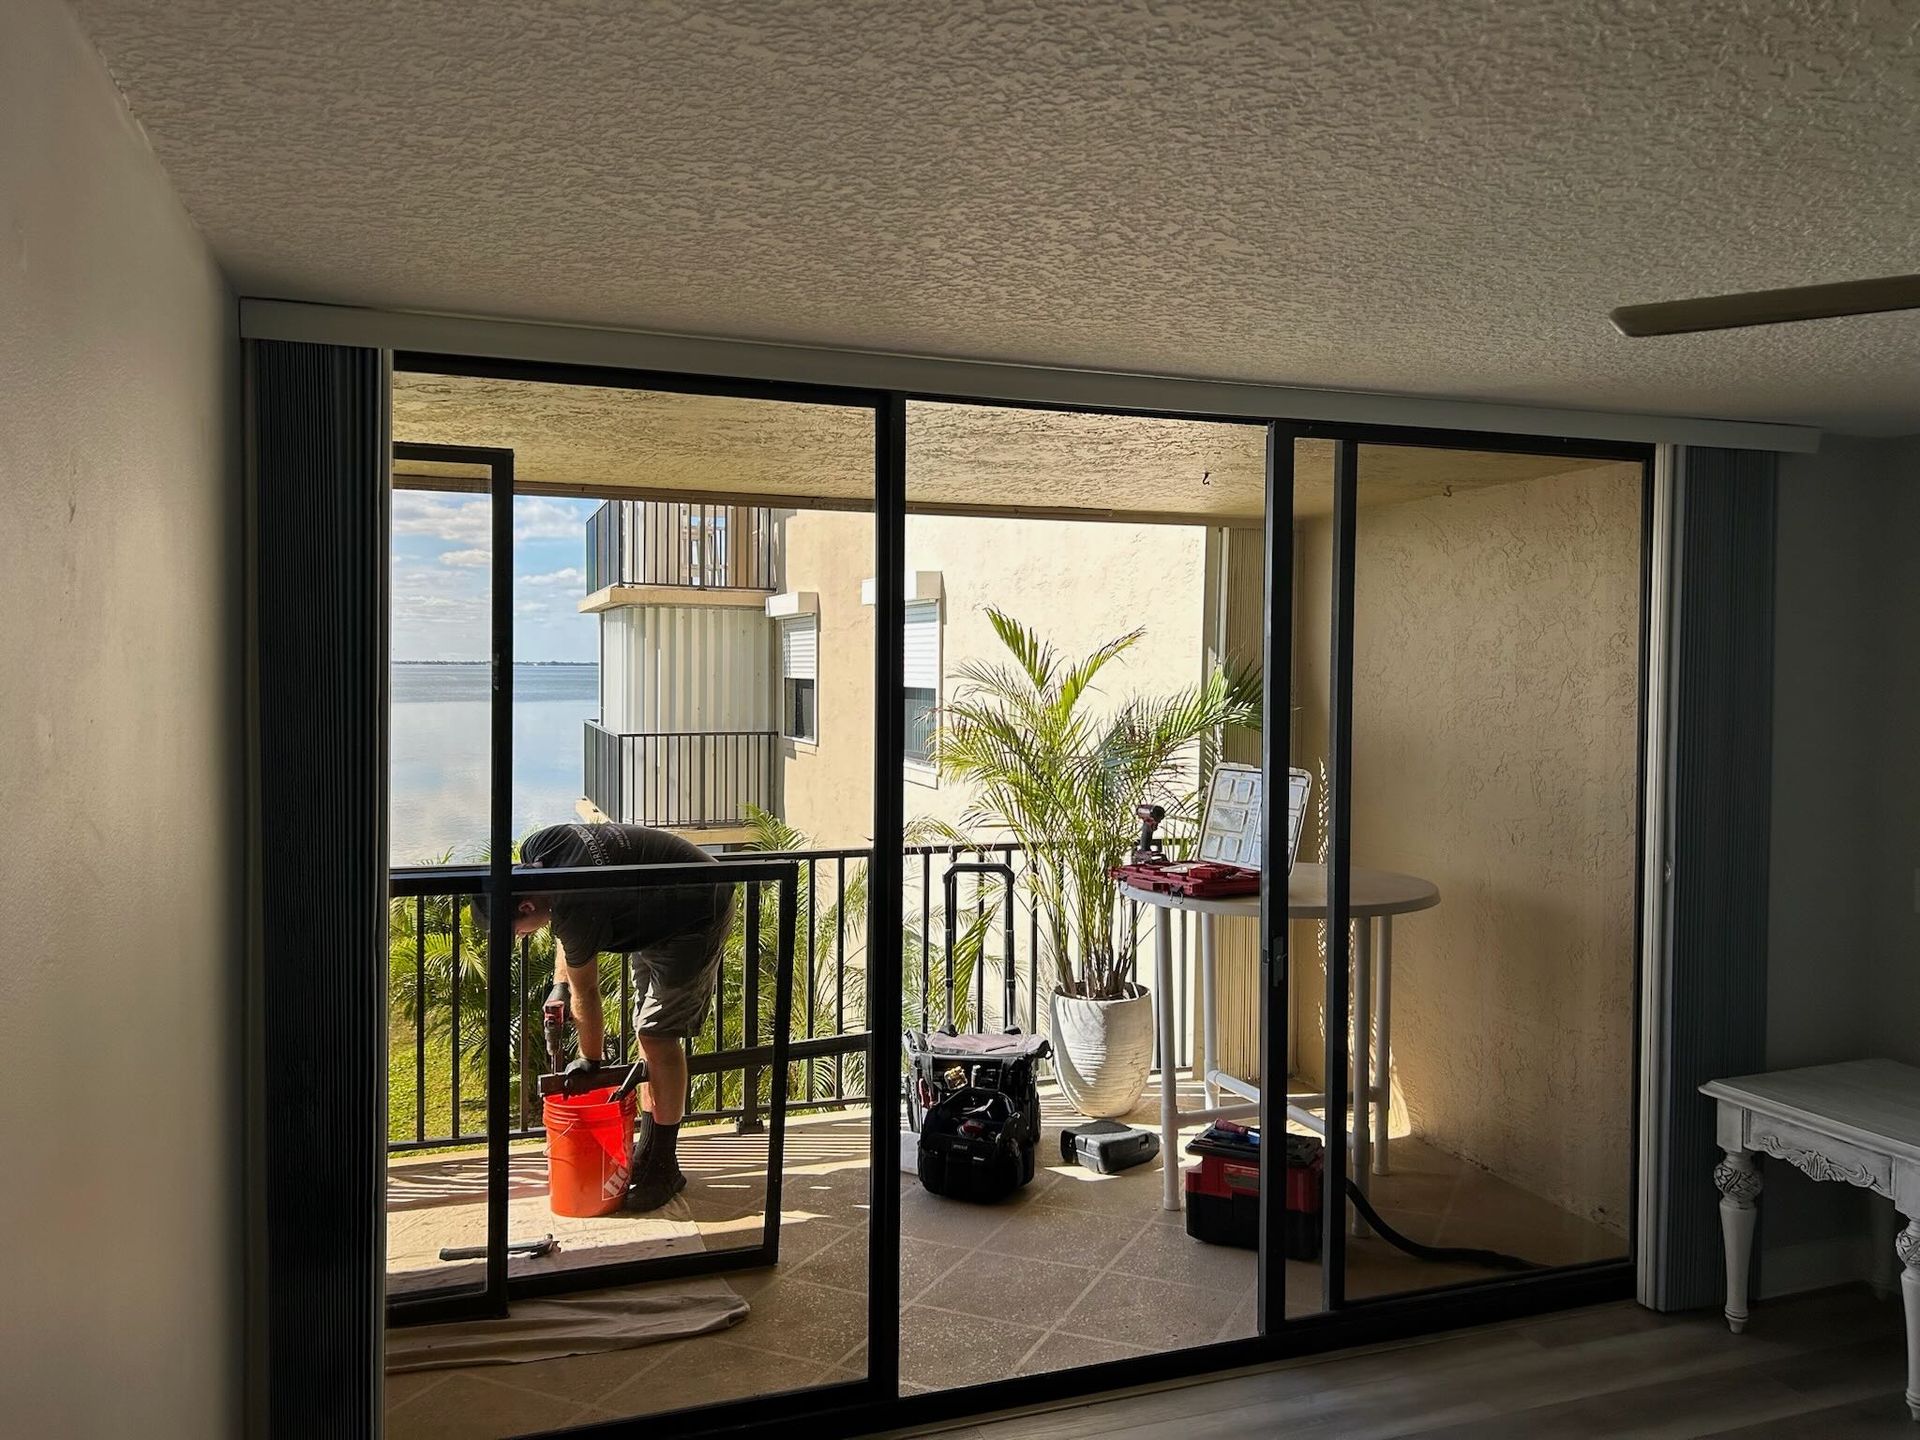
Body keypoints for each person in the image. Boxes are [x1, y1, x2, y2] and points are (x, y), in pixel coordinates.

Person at [479, 821, 736, 1211]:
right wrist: (559, 985)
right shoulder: (541, 849)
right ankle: (649, 1151)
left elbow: (588, 989)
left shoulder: (575, 904)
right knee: (646, 1031)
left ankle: (665, 1166)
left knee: (657, 1035)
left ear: (526, 906)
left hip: (697, 911)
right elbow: (568, 926)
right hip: (655, 907)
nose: (520, 936)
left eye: (515, 929)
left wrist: (590, 1060)